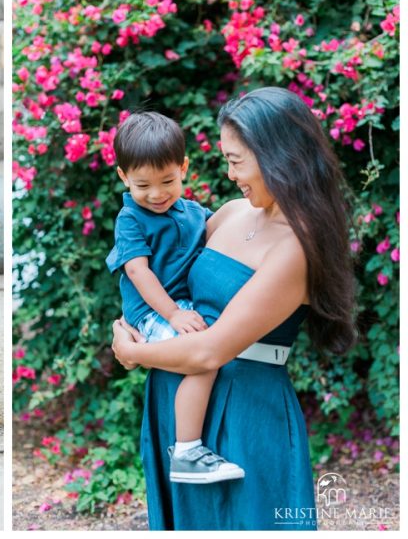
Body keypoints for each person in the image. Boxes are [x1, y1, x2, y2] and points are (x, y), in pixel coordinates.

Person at [112, 86, 356, 530]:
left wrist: (132, 352)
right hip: (176, 399)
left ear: (276, 156)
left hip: (243, 410)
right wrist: (132, 319)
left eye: (236, 160)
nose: (229, 174)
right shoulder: (227, 213)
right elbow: (163, 273)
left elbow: (209, 353)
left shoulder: (295, 248)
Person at [106, 111, 243, 484]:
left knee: (215, 347)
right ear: (123, 177)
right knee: (204, 358)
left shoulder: (194, 212)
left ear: (183, 167)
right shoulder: (131, 219)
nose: (156, 194)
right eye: (142, 185)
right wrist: (173, 315)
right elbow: (138, 271)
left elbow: (223, 238)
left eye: (167, 180)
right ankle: (186, 450)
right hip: (150, 313)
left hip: (181, 308)